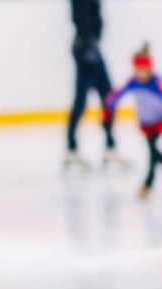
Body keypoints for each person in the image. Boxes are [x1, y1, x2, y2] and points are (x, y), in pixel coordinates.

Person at [103, 44, 162, 199]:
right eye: (138, 70)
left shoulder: (158, 84)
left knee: (151, 152)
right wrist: (107, 110)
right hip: (145, 122)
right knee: (153, 151)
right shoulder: (132, 82)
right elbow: (116, 95)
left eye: (144, 70)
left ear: (150, 68)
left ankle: (147, 184)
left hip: (161, 120)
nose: (141, 74)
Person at [64, 0, 127, 169]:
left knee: (108, 97)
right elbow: (80, 17)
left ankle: (109, 146)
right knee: (82, 100)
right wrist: (87, 50)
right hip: (86, 47)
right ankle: (71, 149)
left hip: (91, 46)